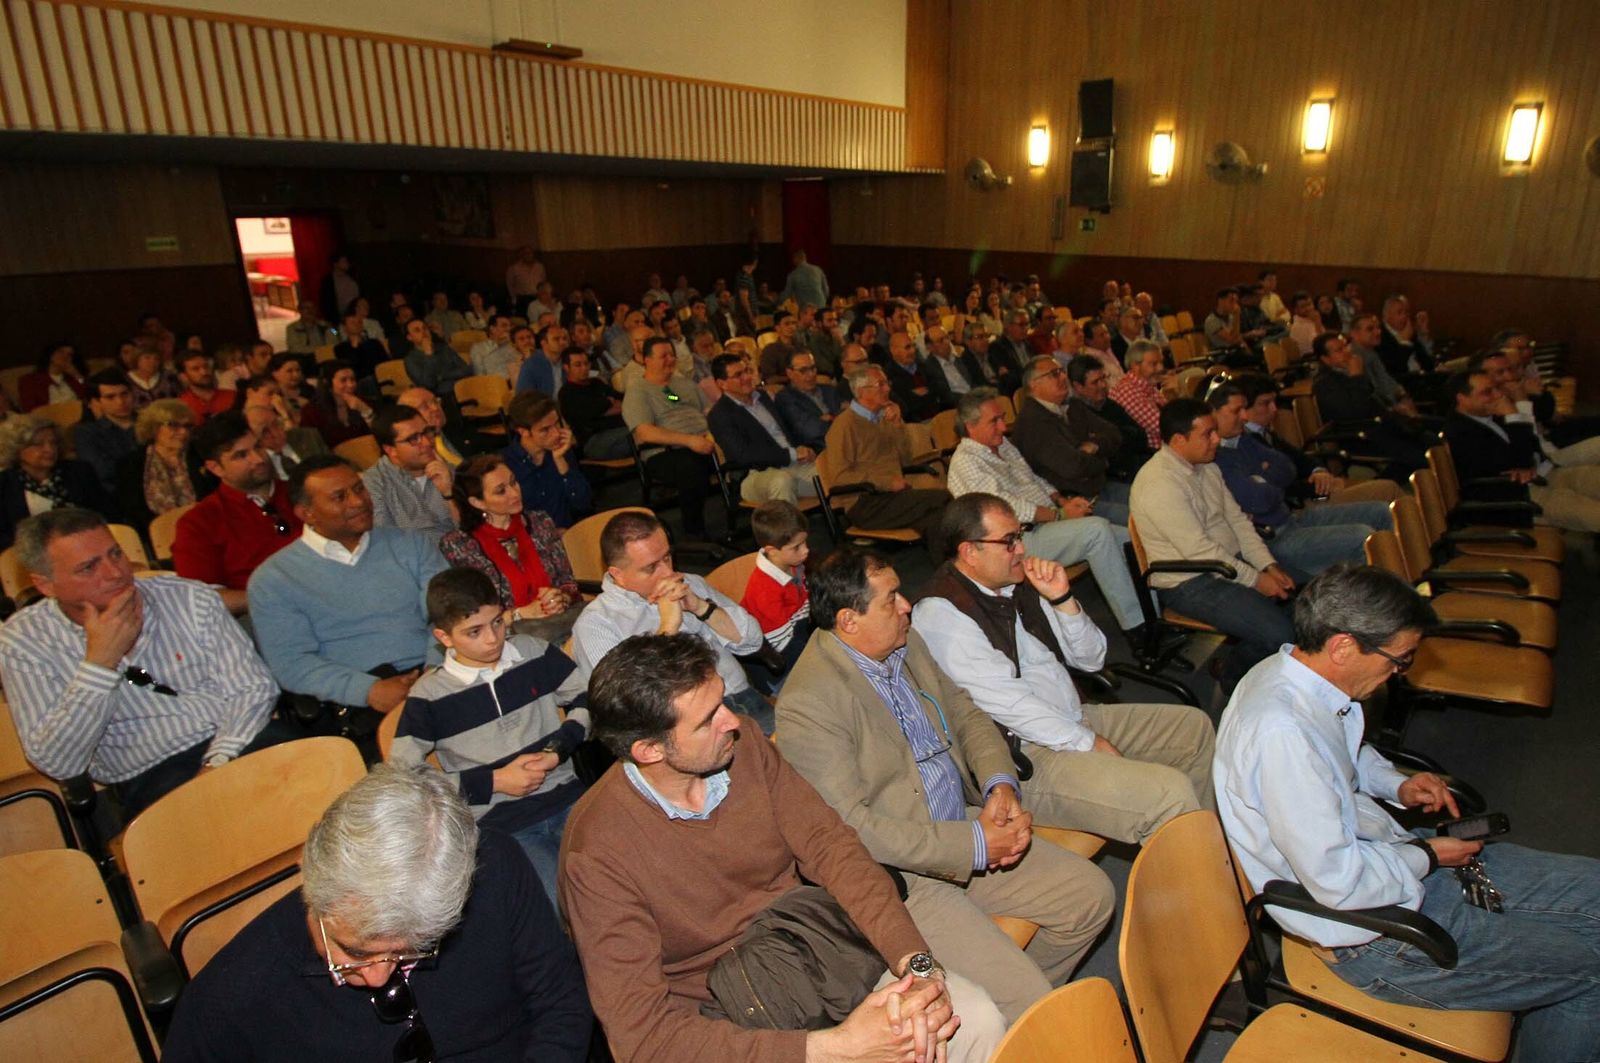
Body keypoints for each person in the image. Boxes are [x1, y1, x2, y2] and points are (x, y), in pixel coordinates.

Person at [1215, 564, 1600, 1063]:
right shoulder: (1281, 734)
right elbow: (1339, 884)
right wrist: (1428, 854)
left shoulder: (1292, 674)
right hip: (1374, 934)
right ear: (1344, 647)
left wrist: (1395, 783)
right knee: (1589, 971)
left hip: (1391, 866)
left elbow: (1343, 748)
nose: (1401, 672)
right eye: (1400, 660)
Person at [560, 632, 1004, 1063]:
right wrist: (838, 1049)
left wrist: (916, 964)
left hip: (818, 952)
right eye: (707, 719)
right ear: (650, 750)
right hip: (732, 1020)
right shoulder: (597, 853)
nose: (732, 721)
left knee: (977, 1019)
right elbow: (644, 1040)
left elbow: (833, 849)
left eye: (723, 703)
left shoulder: (743, 745)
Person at [775, 548, 1116, 1023]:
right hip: (905, 876)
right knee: (1032, 1001)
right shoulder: (810, 704)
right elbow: (851, 828)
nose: (907, 605)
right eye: (891, 598)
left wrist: (999, 785)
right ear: (850, 621)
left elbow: (966, 713)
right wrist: (975, 843)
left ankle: (1014, 1025)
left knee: (1090, 898)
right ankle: (1025, 1012)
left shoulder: (901, 642)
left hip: (961, 824)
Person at [163, 764, 592, 1061]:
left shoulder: (495, 868)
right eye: (354, 951)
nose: (378, 976)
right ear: (313, 887)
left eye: (412, 951)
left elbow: (560, 1001)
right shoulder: (233, 995)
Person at [913, 493, 1216, 844]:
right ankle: (1194, 886)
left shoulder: (1016, 583)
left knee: (1193, 730)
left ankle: (1202, 856)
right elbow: (1010, 707)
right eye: (1008, 541)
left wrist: (1061, 599)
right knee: (1168, 794)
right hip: (1024, 757)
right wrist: (1088, 743)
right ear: (970, 551)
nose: (1021, 549)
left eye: (1020, 535)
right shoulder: (942, 613)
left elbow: (1091, 659)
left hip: (1070, 718)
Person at [0, 508, 283, 819]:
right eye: (89, 567)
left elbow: (254, 689)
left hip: (246, 738)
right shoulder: (23, 642)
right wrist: (100, 664)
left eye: (116, 554)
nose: (115, 572)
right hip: (154, 775)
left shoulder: (188, 597)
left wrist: (218, 762)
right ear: (46, 585)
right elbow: (60, 763)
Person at [393, 568, 588, 903]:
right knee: (555, 905)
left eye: (498, 622)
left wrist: (559, 748)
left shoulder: (533, 652)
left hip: (568, 796)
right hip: (501, 824)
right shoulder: (429, 697)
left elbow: (586, 699)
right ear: (444, 637)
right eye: (474, 631)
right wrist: (494, 781)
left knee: (627, 874)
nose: (492, 638)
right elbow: (404, 778)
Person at [248, 455, 446, 727]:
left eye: (359, 488)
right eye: (340, 497)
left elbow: (448, 612)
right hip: (358, 703)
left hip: (437, 676)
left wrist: (435, 671)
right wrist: (368, 690)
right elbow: (292, 663)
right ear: (307, 513)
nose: (358, 501)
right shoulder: (274, 579)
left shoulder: (410, 544)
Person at [946, 388, 1148, 635]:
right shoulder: (966, 462)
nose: (1003, 427)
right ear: (970, 426)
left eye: (1002, 418)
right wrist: (1060, 515)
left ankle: (1154, 612)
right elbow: (1006, 508)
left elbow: (1034, 480)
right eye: (994, 421)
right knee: (1096, 530)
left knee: (1127, 537)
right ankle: (1140, 629)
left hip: (1045, 523)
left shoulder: (1002, 445)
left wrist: (1063, 502)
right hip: (1014, 542)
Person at [1130, 399, 1296, 694]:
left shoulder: (1206, 467)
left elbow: (1239, 523)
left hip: (1226, 562)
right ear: (1179, 441)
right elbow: (1200, 553)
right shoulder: (1158, 484)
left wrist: (1267, 565)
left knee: (1306, 598)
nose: (1217, 440)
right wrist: (1257, 580)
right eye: (1208, 434)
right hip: (1189, 581)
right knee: (1280, 633)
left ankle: (1262, 668)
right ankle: (1232, 679)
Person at [570, 510, 773, 732]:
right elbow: (628, 705)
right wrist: (668, 629)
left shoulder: (690, 583)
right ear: (617, 574)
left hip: (741, 697)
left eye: (667, 557)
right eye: (651, 567)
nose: (668, 572)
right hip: (681, 729)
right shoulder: (596, 625)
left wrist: (701, 607)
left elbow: (752, 641)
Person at [1208, 382, 1387, 575]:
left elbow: (1288, 467)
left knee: (1380, 511)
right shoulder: (1214, 457)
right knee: (1363, 537)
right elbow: (1258, 500)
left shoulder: (1242, 439)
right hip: (1271, 538)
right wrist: (1274, 484)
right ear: (1212, 413)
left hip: (1291, 519)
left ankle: (1410, 585)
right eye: (1237, 411)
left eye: (1244, 409)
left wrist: (1262, 479)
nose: (1244, 416)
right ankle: (1378, 602)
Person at [440, 454, 581, 643]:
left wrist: (560, 598)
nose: (514, 493)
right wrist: (521, 613)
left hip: (559, 622)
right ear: (477, 502)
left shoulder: (540, 522)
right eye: (501, 491)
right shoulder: (459, 545)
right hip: (507, 636)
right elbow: (474, 616)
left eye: (514, 483)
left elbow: (567, 581)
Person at [173, 412, 303, 616]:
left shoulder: (302, 492)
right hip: (263, 615)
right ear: (215, 468)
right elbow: (204, 598)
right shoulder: (199, 523)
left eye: (258, 447)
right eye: (241, 455)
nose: (258, 459)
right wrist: (277, 599)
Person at [1444, 368, 1600, 533]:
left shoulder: (1491, 412)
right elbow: (1521, 461)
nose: (1498, 395)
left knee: (1592, 477)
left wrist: (1515, 423)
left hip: (1543, 474)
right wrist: (1513, 416)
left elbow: (1532, 448)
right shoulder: (1458, 432)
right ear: (1462, 399)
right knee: (1592, 513)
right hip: (1519, 496)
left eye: (1496, 388)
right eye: (1487, 392)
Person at [824, 366, 951, 560]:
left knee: (935, 519)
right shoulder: (844, 426)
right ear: (861, 391)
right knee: (942, 498)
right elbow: (839, 478)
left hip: (892, 496)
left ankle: (949, 570)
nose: (887, 389)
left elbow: (906, 459)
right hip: (864, 502)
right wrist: (886, 483)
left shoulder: (882, 419)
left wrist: (898, 425)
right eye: (880, 385)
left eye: (886, 383)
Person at [1229, 372, 1405, 507]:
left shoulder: (1263, 431)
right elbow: (1278, 486)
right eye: (1265, 403)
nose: (1274, 409)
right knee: (1388, 490)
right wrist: (1320, 485)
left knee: (1388, 492)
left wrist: (1318, 471)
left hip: (1312, 492)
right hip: (1301, 503)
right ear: (1244, 407)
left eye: (1274, 402)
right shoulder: (1244, 440)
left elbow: (1301, 458)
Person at [622, 336, 720, 540]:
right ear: (646, 360)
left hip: (705, 439)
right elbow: (644, 432)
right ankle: (694, 530)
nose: (670, 360)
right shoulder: (637, 390)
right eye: (663, 356)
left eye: (672, 355)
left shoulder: (683, 384)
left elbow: (708, 410)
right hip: (666, 452)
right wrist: (690, 440)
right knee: (690, 466)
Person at [1010, 356, 1125, 522]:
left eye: (1061, 371)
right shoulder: (1033, 422)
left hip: (1099, 486)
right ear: (1034, 385)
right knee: (1139, 517)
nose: (1063, 377)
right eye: (1054, 374)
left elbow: (1114, 433)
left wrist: (1094, 446)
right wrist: (1103, 461)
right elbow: (1073, 467)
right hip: (1075, 502)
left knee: (1149, 498)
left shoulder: (1072, 406)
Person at [706, 354, 818, 506]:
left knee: (835, 470)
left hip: (792, 463)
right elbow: (743, 455)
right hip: (756, 473)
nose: (747, 377)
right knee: (782, 481)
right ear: (722, 384)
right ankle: (790, 530)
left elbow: (787, 432)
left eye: (747, 371)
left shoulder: (763, 397)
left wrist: (804, 449)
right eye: (738, 375)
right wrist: (791, 454)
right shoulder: (719, 415)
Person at [738, 500, 812, 671]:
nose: (806, 550)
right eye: (797, 547)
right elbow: (781, 646)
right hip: (776, 652)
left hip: (795, 627)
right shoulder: (765, 590)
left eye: (805, 542)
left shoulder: (792, 563)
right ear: (772, 550)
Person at [502, 391, 593, 530]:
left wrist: (561, 461)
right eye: (545, 430)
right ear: (523, 432)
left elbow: (583, 503)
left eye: (557, 424)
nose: (556, 433)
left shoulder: (561, 450)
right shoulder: (506, 465)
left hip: (569, 533)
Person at [362, 404, 456, 537]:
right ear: (391, 450)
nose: (427, 442)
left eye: (426, 432)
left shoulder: (447, 469)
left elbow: (470, 530)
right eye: (414, 439)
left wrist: (448, 494)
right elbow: (386, 540)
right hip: (414, 556)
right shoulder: (373, 484)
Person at [113, 399, 196, 533]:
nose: (183, 432)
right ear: (154, 428)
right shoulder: (131, 464)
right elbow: (133, 511)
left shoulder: (199, 456)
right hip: (156, 534)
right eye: (173, 425)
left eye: (187, 426)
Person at [555, 347, 630, 460]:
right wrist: (609, 402)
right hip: (596, 440)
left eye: (586, 363)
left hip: (621, 429)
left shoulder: (596, 383)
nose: (584, 368)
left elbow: (624, 400)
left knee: (645, 430)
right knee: (641, 432)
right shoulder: (567, 393)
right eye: (578, 365)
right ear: (566, 368)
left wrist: (606, 408)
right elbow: (590, 413)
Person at [74, 369, 140, 496]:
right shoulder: (87, 432)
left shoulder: (150, 422)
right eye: (110, 397)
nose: (120, 402)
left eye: (125, 394)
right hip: (118, 494)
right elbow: (103, 471)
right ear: (97, 401)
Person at [773, 348, 843, 453]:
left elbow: (849, 419)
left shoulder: (829, 390)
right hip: (821, 453)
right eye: (803, 370)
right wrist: (836, 419)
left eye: (813, 368)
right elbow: (811, 431)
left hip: (848, 444)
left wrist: (828, 418)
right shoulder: (785, 398)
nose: (811, 374)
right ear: (789, 373)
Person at [1107, 338, 1169, 450]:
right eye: (1154, 364)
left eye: (1161, 362)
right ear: (1136, 366)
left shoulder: (1147, 384)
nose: (1160, 368)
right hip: (1153, 454)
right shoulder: (1127, 391)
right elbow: (1166, 427)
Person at [299, 360, 375, 450]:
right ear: (327, 383)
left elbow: (379, 435)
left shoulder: (364, 402)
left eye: (353, 379)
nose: (350, 385)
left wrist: (364, 410)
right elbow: (311, 445)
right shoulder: (311, 411)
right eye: (343, 380)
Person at [397, 385, 466, 467]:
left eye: (435, 402)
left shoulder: (461, 432)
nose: (435, 408)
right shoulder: (412, 457)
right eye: (424, 406)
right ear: (407, 418)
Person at [401, 317, 470, 397]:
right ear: (409, 337)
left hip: (462, 387)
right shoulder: (410, 360)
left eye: (425, 328)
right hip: (440, 397)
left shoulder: (443, 348)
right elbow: (429, 385)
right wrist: (428, 355)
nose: (424, 332)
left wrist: (441, 376)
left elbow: (465, 370)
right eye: (417, 330)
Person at [19, 341, 89, 410]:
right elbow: (30, 409)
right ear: (51, 355)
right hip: (50, 418)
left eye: (69, 354)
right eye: (61, 352)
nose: (65, 356)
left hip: (79, 416)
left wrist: (76, 374)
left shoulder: (72, 378)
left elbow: (85, 388)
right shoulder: (30, 380)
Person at [174, 351, 236, 425]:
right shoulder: (181, 405)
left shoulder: (232, 397)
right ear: (183, 377)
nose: (204, 372)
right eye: (195, 369)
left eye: (206, 366)